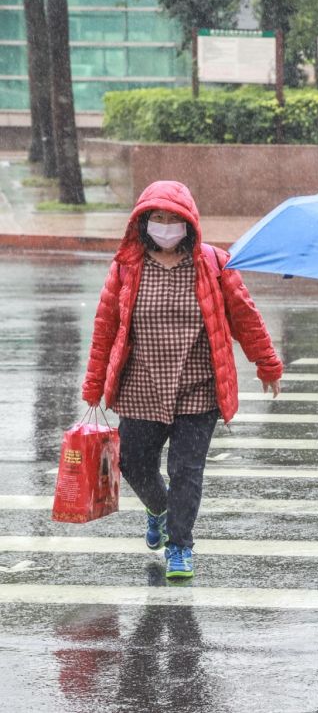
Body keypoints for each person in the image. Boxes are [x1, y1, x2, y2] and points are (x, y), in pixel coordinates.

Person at [82, 181, 283, 579]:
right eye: (157, 218)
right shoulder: (126, 267)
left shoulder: (213, 263)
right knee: (133, 464)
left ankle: (179, 547)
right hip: (140, 389)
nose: (166, 225)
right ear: (142, 223)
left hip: (198, 389)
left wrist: (268, 364)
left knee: (186, 471)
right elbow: (105, 328)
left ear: (189, 223)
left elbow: (245, 316)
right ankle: (158, 508)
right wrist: (93, 387)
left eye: (174, 219)